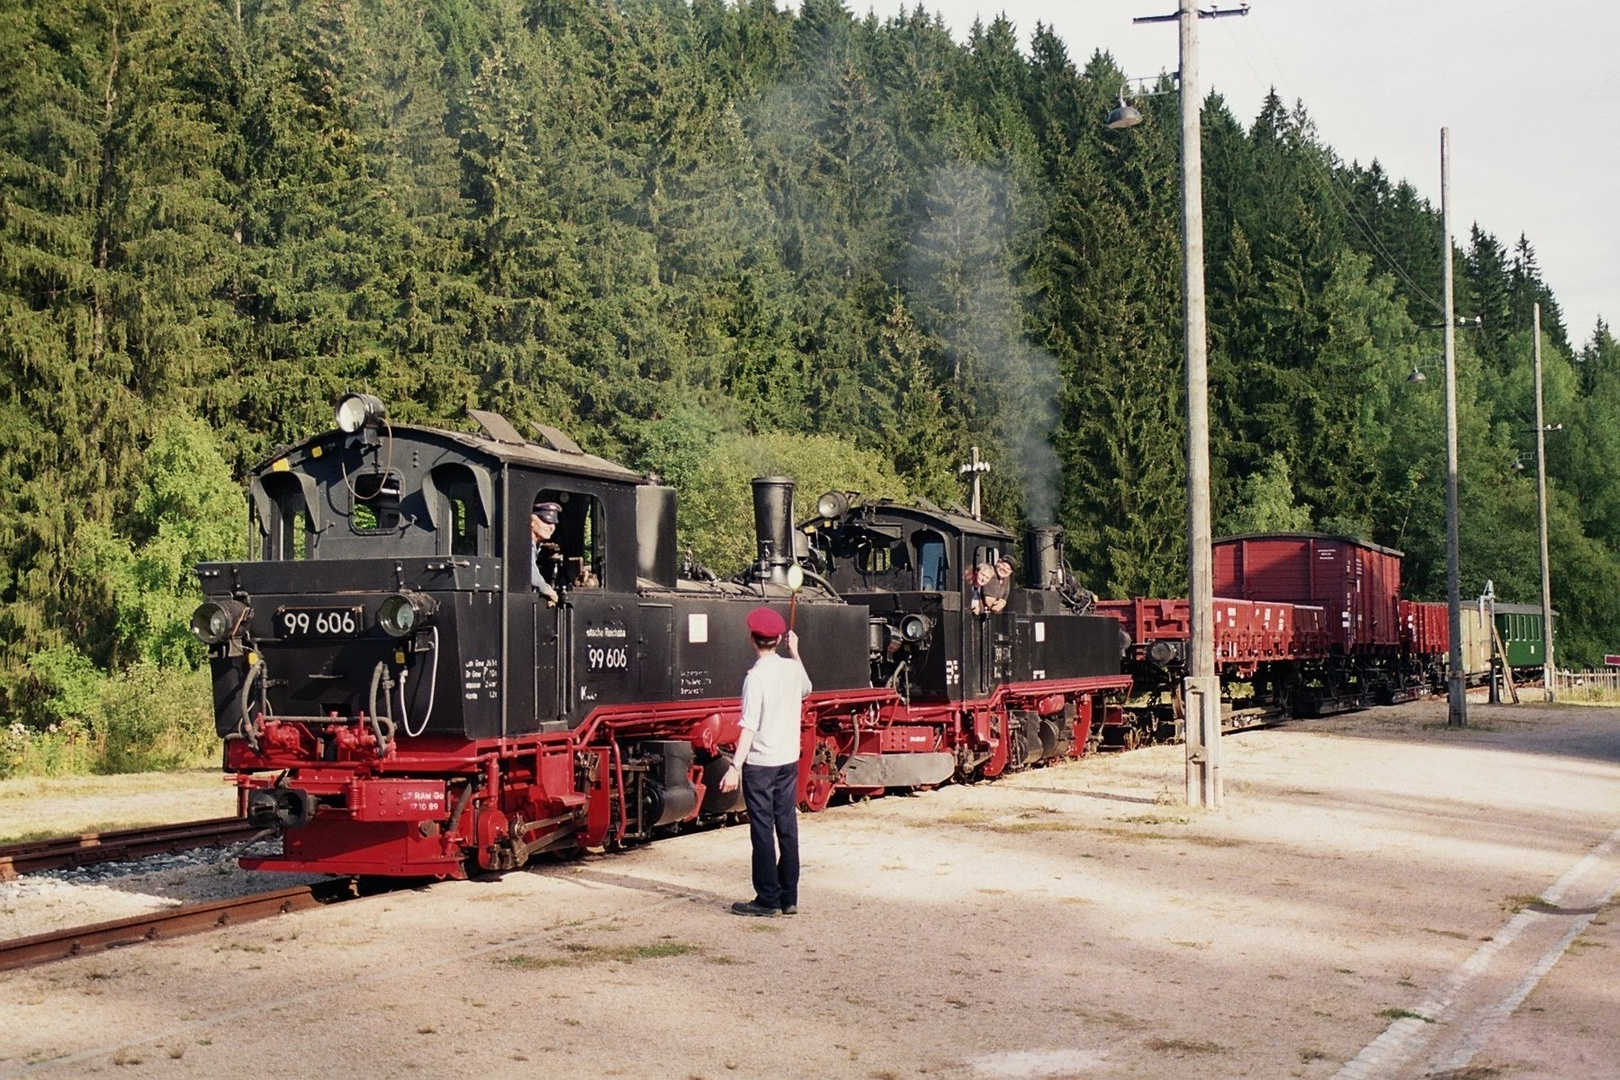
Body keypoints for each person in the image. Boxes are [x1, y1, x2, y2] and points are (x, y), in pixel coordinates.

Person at [720, 606, 811, 917]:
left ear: (752, 639)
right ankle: (790, 897)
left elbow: (749, 726)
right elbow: (807, 689)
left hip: (761, 763)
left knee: (762, 829)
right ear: (778, 639)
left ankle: (767, 898)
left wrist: (735, 766)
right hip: (788, 760)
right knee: (787, 826)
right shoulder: (791, 669)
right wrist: (795, 652)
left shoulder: (755, 678)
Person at [530, 502, 562, 604]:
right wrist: (547, 590)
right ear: (532, 522)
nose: (552, 527)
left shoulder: (536, 546)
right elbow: (529, 570)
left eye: (554, 524)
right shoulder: (525, 543)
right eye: (547, 522)